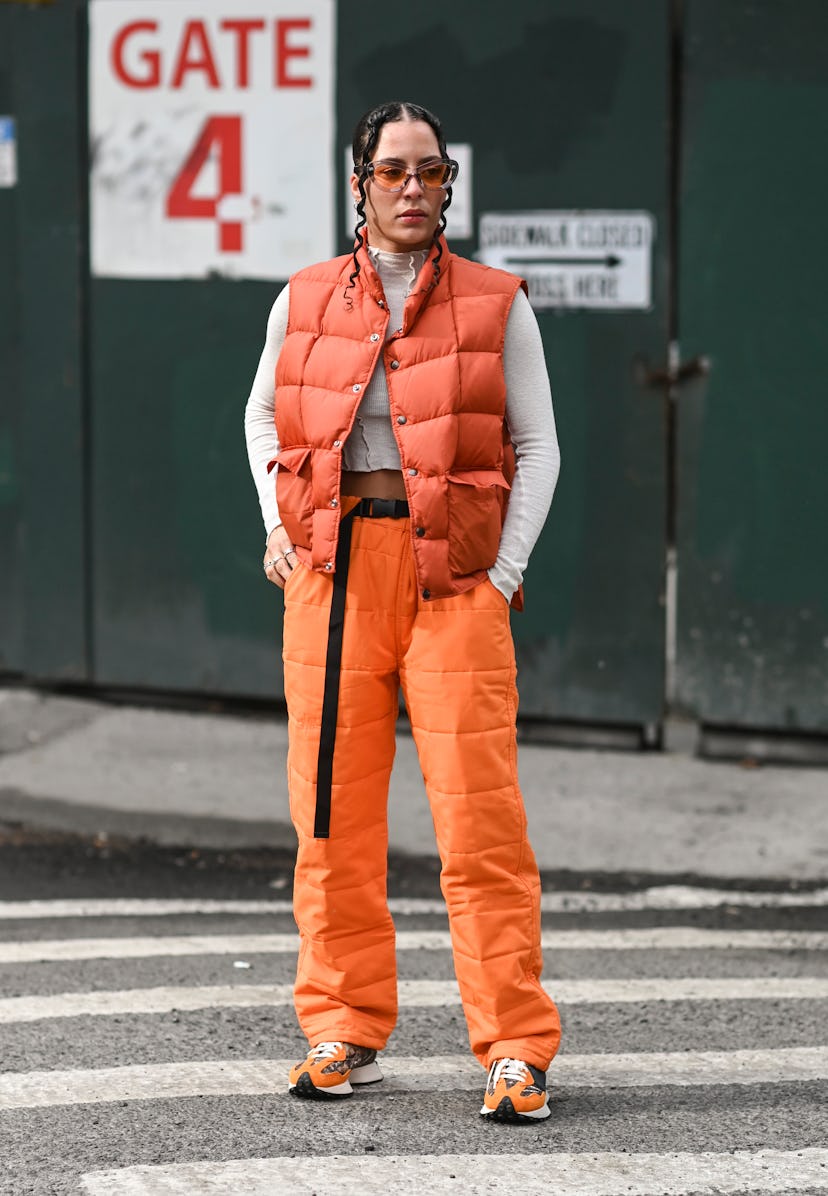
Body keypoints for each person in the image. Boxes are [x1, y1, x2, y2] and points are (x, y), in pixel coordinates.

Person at [245, 100, 562, 1123]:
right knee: (330, 817)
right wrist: (279, 523)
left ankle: (515, 1048)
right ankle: (342, 1025)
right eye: (394, 171)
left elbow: (538, 444)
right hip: (335, 578)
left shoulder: (496, 301)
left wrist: (506, 570)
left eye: (432, 170)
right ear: (360, 184)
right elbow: (261, 413)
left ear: (449, 184)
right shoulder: (301, 299)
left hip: (456, 580)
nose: (415, 187)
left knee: (480, 820)